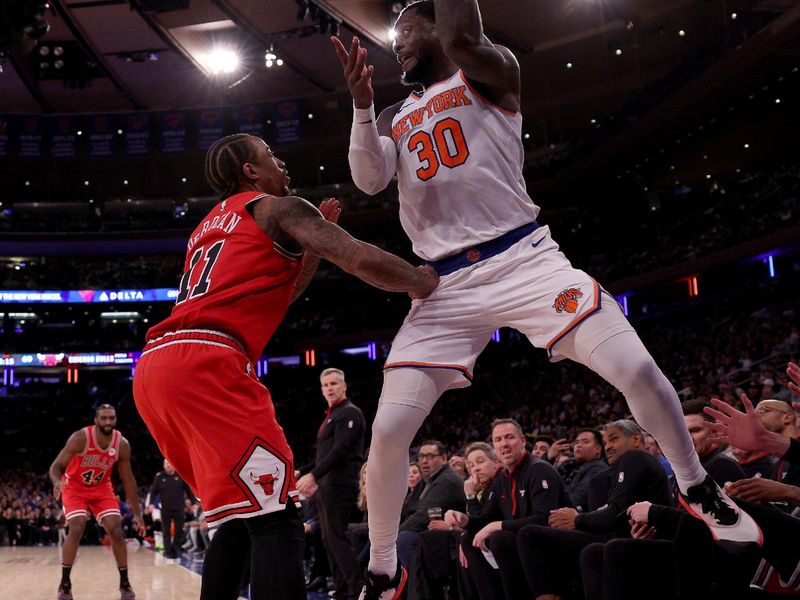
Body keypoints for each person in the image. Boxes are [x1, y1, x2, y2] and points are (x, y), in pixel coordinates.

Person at [331, 1, 760, 595]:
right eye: (394, 36)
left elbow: (461, 32)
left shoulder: (490, 69)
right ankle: (382, 566)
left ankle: (693, 483)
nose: (396, 43)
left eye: (406, 29)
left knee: (633, 365)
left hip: (525, 260)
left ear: (436, 28)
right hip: (445, 286)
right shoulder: (391, 116)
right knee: (386, 433)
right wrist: (358, 104)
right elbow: (368, 180)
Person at [132, 133, 438, 600]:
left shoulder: (207, 229)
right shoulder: (279, 207)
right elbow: (355, 257)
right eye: (271, 156)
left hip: (157, 369)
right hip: (206, 363)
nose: (282, 164)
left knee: (239, 519)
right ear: (251, 172)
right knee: (278, 519)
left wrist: (308, 250)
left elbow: (278, 294)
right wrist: (420, 281)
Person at [49, 404, 145, 600]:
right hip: (74, 486)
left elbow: (128, 480)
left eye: (111, 418)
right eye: (104, 418)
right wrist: (57, 481)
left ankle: (124, 583)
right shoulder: (80, 438)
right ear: (96, 420)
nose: (108, 421)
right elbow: (56, 466)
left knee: (116, 528)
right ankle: (65, 584)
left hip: (101, 488)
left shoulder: (121, 444)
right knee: (76, 526)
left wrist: (137, 513)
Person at [297, 368, 366, 600]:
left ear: (344, 386)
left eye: (334, 383)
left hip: (341, 484)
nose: (330, 388)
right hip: (327, 486)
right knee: (329, 540)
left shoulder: (350, 413)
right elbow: (324, 456)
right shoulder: (332, 414)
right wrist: (304, 471)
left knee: (338, 539)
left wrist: (313, 475)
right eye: (326, 385)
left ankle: (357, 590)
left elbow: (341, 450)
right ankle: (343, 591)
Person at [146, 458, 197, 559]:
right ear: (163, 465)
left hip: (179, 508)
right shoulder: (159, 477)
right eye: (166, 463)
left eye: (169, 463)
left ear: (173, 464)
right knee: (166, 531)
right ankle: (168, 551)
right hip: (165, 509)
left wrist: (194, 503)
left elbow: (188, 491)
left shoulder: (180, 476)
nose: (168, 465)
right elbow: (153, 492)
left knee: (179, 531)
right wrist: (151, 504)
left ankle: (176, 550)